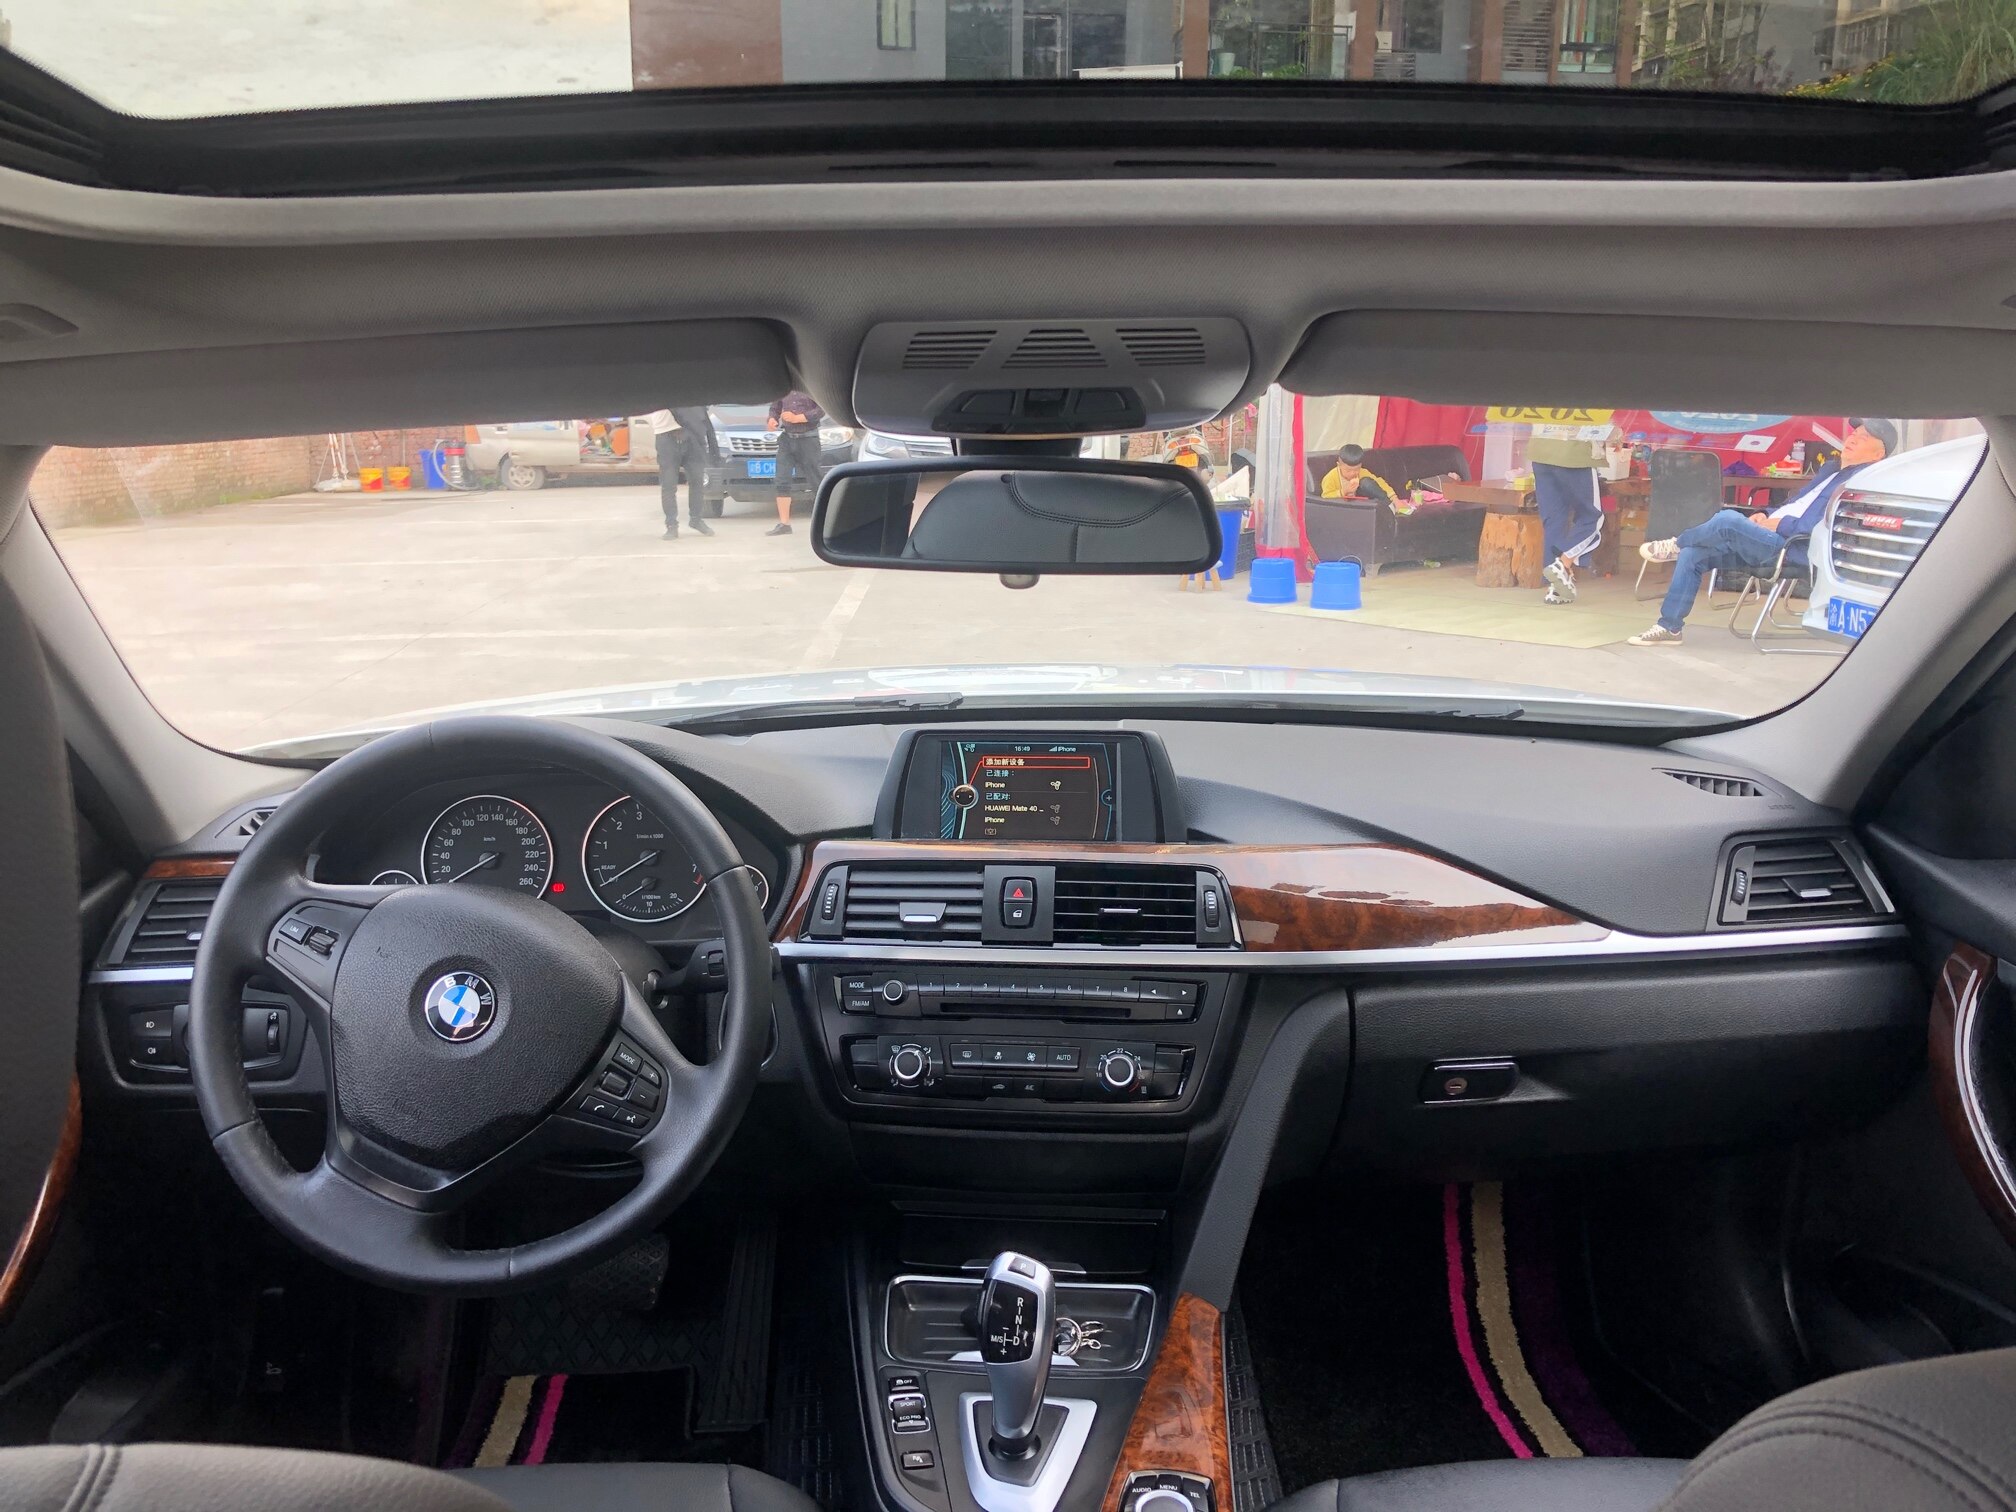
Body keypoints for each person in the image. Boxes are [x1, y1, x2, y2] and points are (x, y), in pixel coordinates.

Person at [1627, 418, 1898, 647]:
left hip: (1791, 548)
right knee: (1693, 554)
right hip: (1768, 540)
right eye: (1854, 433)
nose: (1853, 438)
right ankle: (1670, 627)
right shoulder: (1830, 470)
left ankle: (1675, 544)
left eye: (1864, 438)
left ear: (1878, 455)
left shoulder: (1859, 483)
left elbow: (1822, 527)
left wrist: (1777, 525)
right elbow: (1795, 505)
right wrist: (1765, 515)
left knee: (1727, 520)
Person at [1527, 422, 1608, 606]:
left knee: (1553, 520)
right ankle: (1563, 564)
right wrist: (1616, 433)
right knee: (1592, 517)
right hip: (1574, 454)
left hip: (1540, 452)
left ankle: (1555, 589)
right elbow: (1597, 424)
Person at [648, 408, 718, 539]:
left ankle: (696, 520)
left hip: (692, 434)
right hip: (666, 435)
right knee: (668, 484)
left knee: (697, 480)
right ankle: (671, 525)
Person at [766, 389, 826, 537]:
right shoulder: (783, 387)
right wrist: (772, 419)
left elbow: (822, 409)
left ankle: (826, 521)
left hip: (808, 439)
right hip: (787, 439)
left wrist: (799, 418)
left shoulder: (811, 386)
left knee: (816, 480)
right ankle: (784, 524)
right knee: (781, 480)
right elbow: (775, 407)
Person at [1320, 444, 1399, 504]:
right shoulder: (1331, 477)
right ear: (1339, 465)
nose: (1353, 473)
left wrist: (1394, 498)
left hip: (1363, 503)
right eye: (1348, 470)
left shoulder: (1362, 472)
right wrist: (1344, 491)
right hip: (1343, 507)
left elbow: (1379, 482)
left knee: (1366, 482)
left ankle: (1389, 505)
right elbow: (1325, 497)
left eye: (1356, 469)